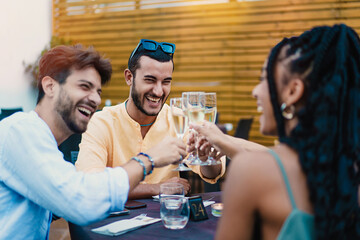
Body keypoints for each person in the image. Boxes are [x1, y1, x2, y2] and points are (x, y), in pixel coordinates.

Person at [0, 44, 186, 239]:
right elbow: (82, 201)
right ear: (50, 86)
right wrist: (148, 159)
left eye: (98, 91)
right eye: (84, 86)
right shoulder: (20, 131)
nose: (95, 99)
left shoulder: (42, 141)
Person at [193, 24, 360, 239]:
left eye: (264, 79)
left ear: (293, 92)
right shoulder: (348, 168)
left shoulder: (251, 173)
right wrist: (224, 141)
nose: (255, 91)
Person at [75, 39, 226, 199]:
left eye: (166, 82)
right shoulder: (101, 122)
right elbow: (90, 185)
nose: (159, 91)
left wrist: (207, 158)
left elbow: (211, 174)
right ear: (129, 77)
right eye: (150, 80)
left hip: (167, 218)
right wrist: (157, 188)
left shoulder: (179, 119)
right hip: (113, 221)